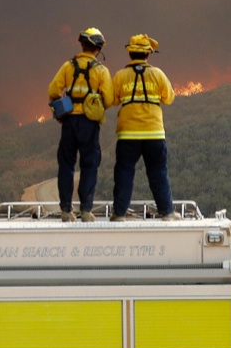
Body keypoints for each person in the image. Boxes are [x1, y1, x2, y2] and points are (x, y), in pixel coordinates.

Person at [48, 27, 115, 222]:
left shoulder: (68, 66)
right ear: (98, 48)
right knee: (89, 165)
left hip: (69, 122)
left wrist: (59, 110)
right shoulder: (101, 70)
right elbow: (109, 99)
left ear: (82, 45)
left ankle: (66, 211)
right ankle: (86, 210)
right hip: (89, 123)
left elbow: (53, 90)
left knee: (66, 165)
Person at [111, 34, 178, 221]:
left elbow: (112, 100)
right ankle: (167, 213)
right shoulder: (158, 74)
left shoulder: (121, 76)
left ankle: (119, 214)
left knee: (124, 173)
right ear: (148, 54)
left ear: (130, 53)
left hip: (127, 134)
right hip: (154, 133)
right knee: (158, 173)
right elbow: (169, 98)